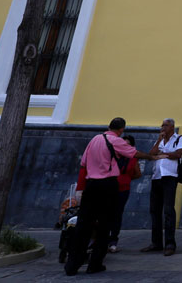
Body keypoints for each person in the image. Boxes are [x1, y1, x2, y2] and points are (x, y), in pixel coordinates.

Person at [65, 117, 152, 276]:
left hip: (91, 185)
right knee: (105, 225)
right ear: (121, 130)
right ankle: (95, 263)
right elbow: (134, 153)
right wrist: (153, 156)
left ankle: (72, 265)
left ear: (108, 126)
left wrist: (80, 188)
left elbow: (83, 164)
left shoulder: (95, 139)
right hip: (108, 185)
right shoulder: (116, 140)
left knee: (83, 225)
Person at [141, 118, 182, 257]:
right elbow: (151, 154)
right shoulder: (160, 140)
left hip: (170, 177)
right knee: (154, 211)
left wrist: (163, 155)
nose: (163, 127)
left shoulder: (179, 138)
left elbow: (179, 154)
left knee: (168, 211)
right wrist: (158, 141)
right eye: (162, 125)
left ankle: (170, 243)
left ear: (172, 127)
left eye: (165, 125)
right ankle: (156, 243)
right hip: (157, 177)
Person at [108, 135, 141, 252]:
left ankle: (113, 241)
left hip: (123, 190)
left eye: (127, 144)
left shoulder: (132, 159)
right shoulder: (113, 156)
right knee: (106, 214)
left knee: (117, 214)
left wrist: (126, 178)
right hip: (110, 188)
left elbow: (138, 173)